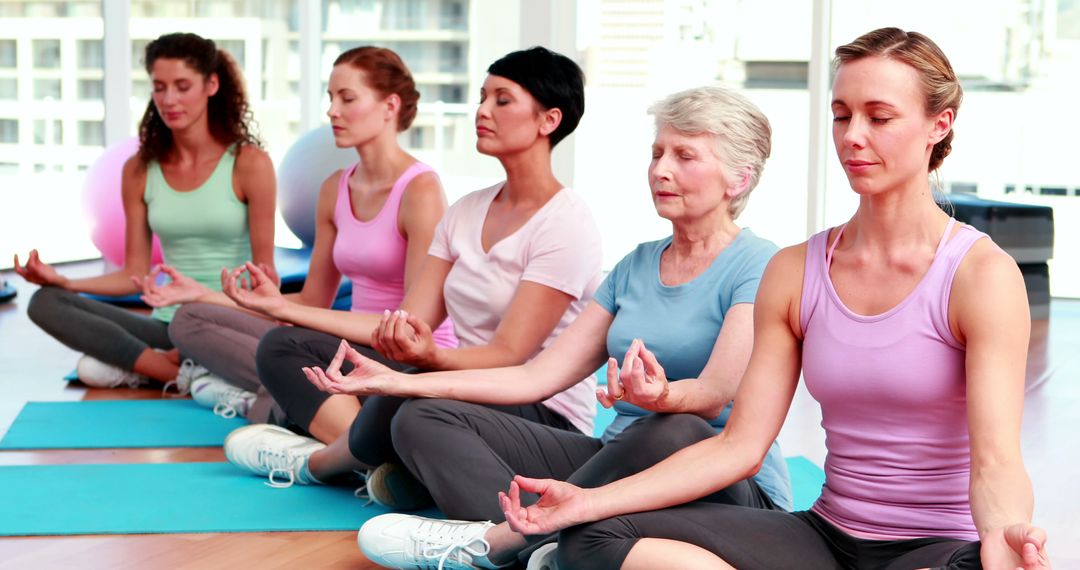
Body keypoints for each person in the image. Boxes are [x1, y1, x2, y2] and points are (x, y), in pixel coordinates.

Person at [484, 28, 1051, 570]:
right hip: (824, 537)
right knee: (592, 538)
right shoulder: (797, 269)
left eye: (879, 117)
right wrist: (589, 502)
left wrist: (1003, 539)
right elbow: (739, 446)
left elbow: (996, 462)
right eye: (841, 115)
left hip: (935, 548)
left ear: (939, 124)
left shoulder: (980, 275)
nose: (853, 135)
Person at [308, 85, 792, 570]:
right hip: (613, 462)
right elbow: (535, 376)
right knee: (422, 414)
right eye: (657, 153)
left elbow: (712, 394)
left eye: (685, 156)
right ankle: (533, 546)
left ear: (738, 179)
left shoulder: (758, 263)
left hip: (721, 487)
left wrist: (662, 398)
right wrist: (395, 381)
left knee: (674, 427)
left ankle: (499, 541)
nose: (661, 169)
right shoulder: (635, 265)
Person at [221, 47, 605, 495]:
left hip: (539, 410)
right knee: (284, 344)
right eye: (481, 97)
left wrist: (425, 364)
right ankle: (392, 465)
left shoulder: (566, 223)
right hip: (462, 384)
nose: (481, 110)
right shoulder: (465, 211)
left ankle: (320, 464)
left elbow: (509, 354)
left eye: (502, 100)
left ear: (548, 120)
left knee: (415, 397)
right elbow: (410, 323)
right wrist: (279, 307)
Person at [137, 46, 455, 420]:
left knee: (281, 343)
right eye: (330, 97)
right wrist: (204, 294)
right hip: (350, 347)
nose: (332, 111)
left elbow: (409, 331)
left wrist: (284, 311)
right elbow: (314, 301)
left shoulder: (421, 191)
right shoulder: (335, 188)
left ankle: (274, 402)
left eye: (347, 98)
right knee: (189, 317)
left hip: (405, 362)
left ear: (390, 106)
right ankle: (290, 400)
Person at [15, 32, 275, 390]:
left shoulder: (249, 164)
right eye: (159, 87)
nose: (169, 100)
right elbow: (134, 273)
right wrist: (65, 282)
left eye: (183, 86)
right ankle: (178, 373)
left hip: (227, 323)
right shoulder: (139, 169)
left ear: (211, 84)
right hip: (169, 326)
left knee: (94, 369)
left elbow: (267, 279)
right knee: (45, 302)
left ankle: (154, 367)